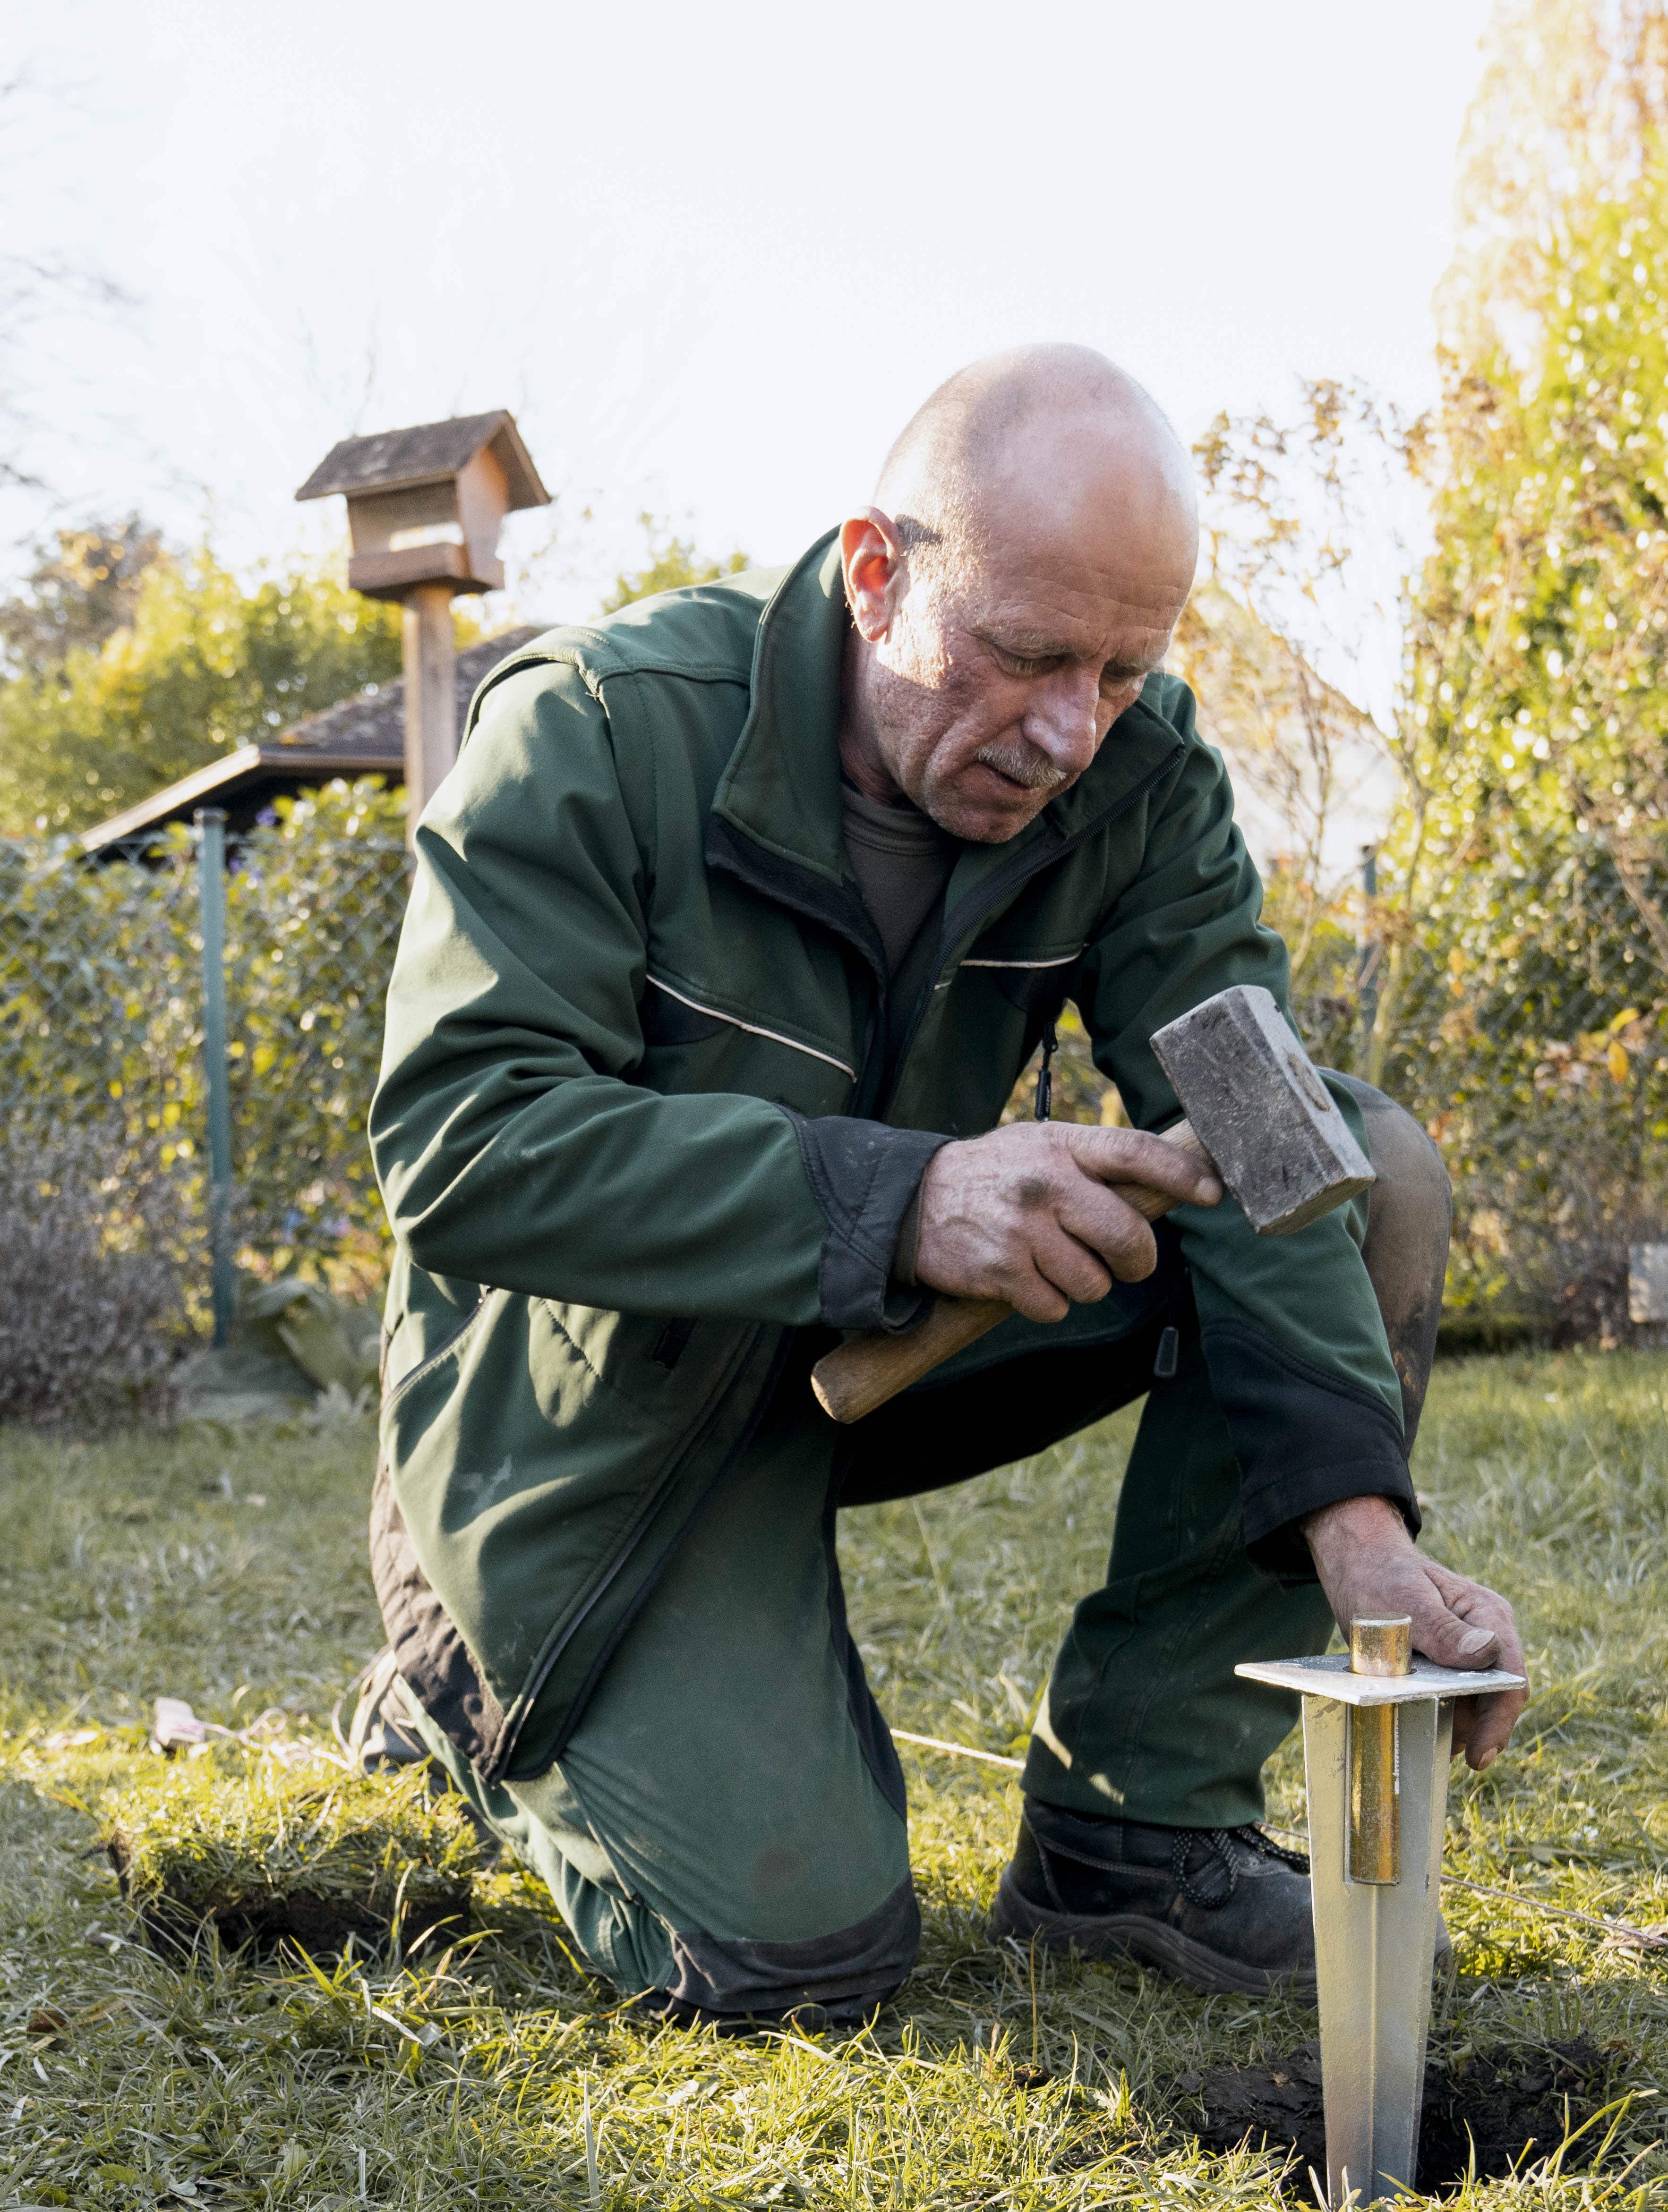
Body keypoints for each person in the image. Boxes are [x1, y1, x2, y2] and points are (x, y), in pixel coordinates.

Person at [348, 342, 1523, 2026]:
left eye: (1124, 671)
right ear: (875, 572)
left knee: (1363, 1164)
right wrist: (899, 1202)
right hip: (587, 1401)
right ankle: (452, 1685)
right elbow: (461, 1138)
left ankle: (1140, 1834)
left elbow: (1253, 1124)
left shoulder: (1140, 776)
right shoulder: (597, 729)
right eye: (1030, 656)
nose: (1069, 732)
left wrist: (1364, 1537)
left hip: (880, 1350)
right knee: (801, 1961)